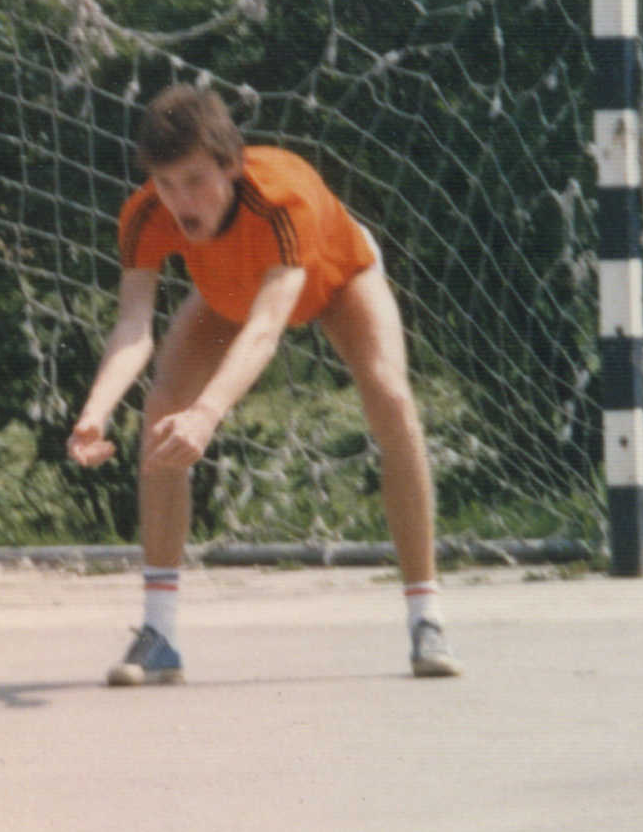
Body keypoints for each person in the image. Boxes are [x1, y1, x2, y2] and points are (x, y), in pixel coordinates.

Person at [67, 84, 462, 684]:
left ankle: (425, 617)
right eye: (166, 183)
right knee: (163, 406)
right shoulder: (146, 213)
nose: (181, 200)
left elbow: (266, 329)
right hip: (231, 291)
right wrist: (94, 412)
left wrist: (208, 414)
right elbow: (132, 325)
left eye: (195, 179)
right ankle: (159, 634)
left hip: (336, 278)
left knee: (391, 396)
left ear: (231, 164)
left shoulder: (281, 198)